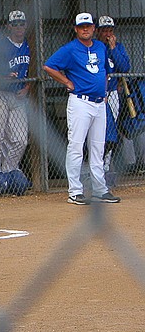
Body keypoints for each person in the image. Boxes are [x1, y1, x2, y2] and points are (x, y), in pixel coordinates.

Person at [43, 13, 121, 205]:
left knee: (98, 148)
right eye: (81, 26)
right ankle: (75, 191)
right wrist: (67, 81)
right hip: (80, 102)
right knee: (76, 146)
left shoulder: (101, 47)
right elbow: (49, 66)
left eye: (88, 26)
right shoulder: (70, 49)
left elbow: (105, 71)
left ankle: (100, 190)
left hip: (99, 103)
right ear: (76, 29)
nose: (85, 29)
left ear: (94, 28)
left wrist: (102, 90)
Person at [0, 10, 31, 184]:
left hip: (18, 96)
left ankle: (8, 171)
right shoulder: (1, 45)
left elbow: (34, 70)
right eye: (15, 24)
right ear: (8, 26)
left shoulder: (29, 45)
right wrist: (2, 78)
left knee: (21, 139)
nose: (19, 27)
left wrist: (28, 86)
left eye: (22, 23)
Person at [96, 15, 131, 186]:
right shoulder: (94, 47)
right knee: (97, 131)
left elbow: (124, 68)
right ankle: (94, 168)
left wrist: (113, 47)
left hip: (112, 94)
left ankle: (105, 167)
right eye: (104, 30)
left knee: (111, 130)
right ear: (98, 31)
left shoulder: (117, 47)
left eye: (110, 30)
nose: (107, 33)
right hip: (96, 95)